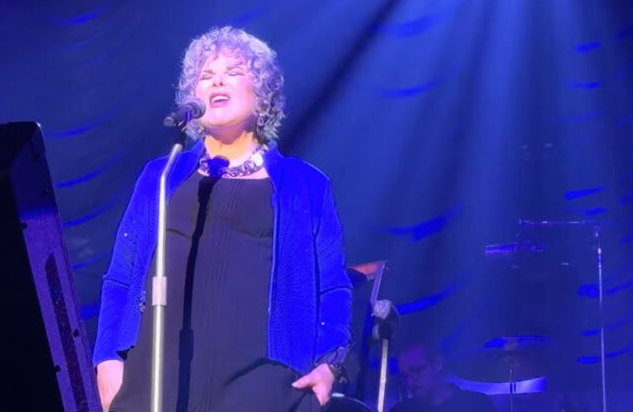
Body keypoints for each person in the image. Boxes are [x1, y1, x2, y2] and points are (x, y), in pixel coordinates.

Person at [93, 26, 353, 411]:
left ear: (261, 92)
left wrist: (330, 364)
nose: (217, 81)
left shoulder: (305, 185)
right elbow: (121, 275)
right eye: (206, 75)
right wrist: (106, 359)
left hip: (261, 385)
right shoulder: (161, 175)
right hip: (155, 376)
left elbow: (332, 285)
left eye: (233, 72)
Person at [389, 343, 496, 412]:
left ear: (437, 363)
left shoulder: (478, 404)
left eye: (416, 371)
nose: (410, 381)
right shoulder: (400, 410)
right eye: (405, 376)